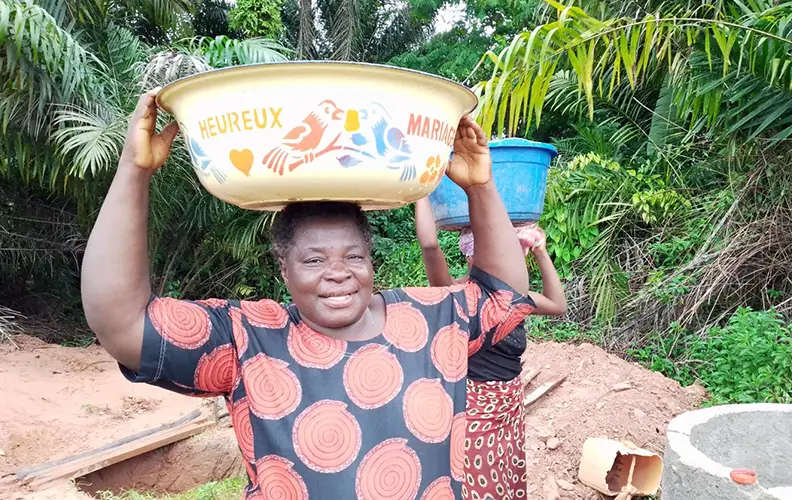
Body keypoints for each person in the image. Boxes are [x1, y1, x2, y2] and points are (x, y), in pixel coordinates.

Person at [81, 88, 539, 500]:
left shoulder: (434, 318)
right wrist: (133, 171)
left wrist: (480, 187)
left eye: (354, 257)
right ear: (284, 268)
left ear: (371, 261)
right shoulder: (247, 338)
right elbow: (121, 324)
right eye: (314, 260)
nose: (338, 274)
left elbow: (506, 298)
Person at [415, 198, 566, 500]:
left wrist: (540, 251)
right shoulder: (454, 294)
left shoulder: (511, 298)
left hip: (510, 407)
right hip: (475, 414)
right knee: (479, 485)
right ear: (475, 257)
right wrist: (424, 190)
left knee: (506, 479)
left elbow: (558, 305)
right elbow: (430, 246)